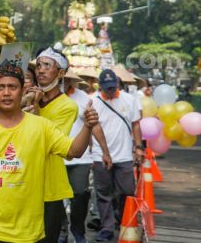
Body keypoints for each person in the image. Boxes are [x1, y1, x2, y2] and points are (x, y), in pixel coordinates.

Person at [0, 60, 99, 243]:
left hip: (27, 232)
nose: (7, 93)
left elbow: (74, 151)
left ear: (23, 91)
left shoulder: (41, 126)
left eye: (12, 87)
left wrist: (87, 127)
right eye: (0, 88)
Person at [31, 47, 78, 243]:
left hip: (50, 185)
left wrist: (34, 107)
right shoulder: (27, 96)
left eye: (47, 66)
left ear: (60, 73)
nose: (40, 70)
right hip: (23, 181)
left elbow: (45, 140)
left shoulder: (67, 106)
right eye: (38, 65)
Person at [90, 69, 143, 242]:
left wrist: (138, 147)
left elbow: (135, 125)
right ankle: (106, 228)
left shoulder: (129, 100)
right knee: (103, 193)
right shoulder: (93, 101)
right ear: (100, 86)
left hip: (124, 155)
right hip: (100, 155)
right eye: (107, 88)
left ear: (118, 85)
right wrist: (91, 152)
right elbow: (89, 129)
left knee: (127, 191)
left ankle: (122, 219)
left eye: (113, 87)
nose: (110, 91)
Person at [61, 70, 112, 243]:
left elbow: (94, 125)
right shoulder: (45, 97)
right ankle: (61, 232)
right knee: (55, 198)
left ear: (72, 81)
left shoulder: (83, 97)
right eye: (62, 79)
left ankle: (77, 229)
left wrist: (105, 151)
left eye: (67, 79)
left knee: (80, 194)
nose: (64, 82)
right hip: (55, 156)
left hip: (79, 158)